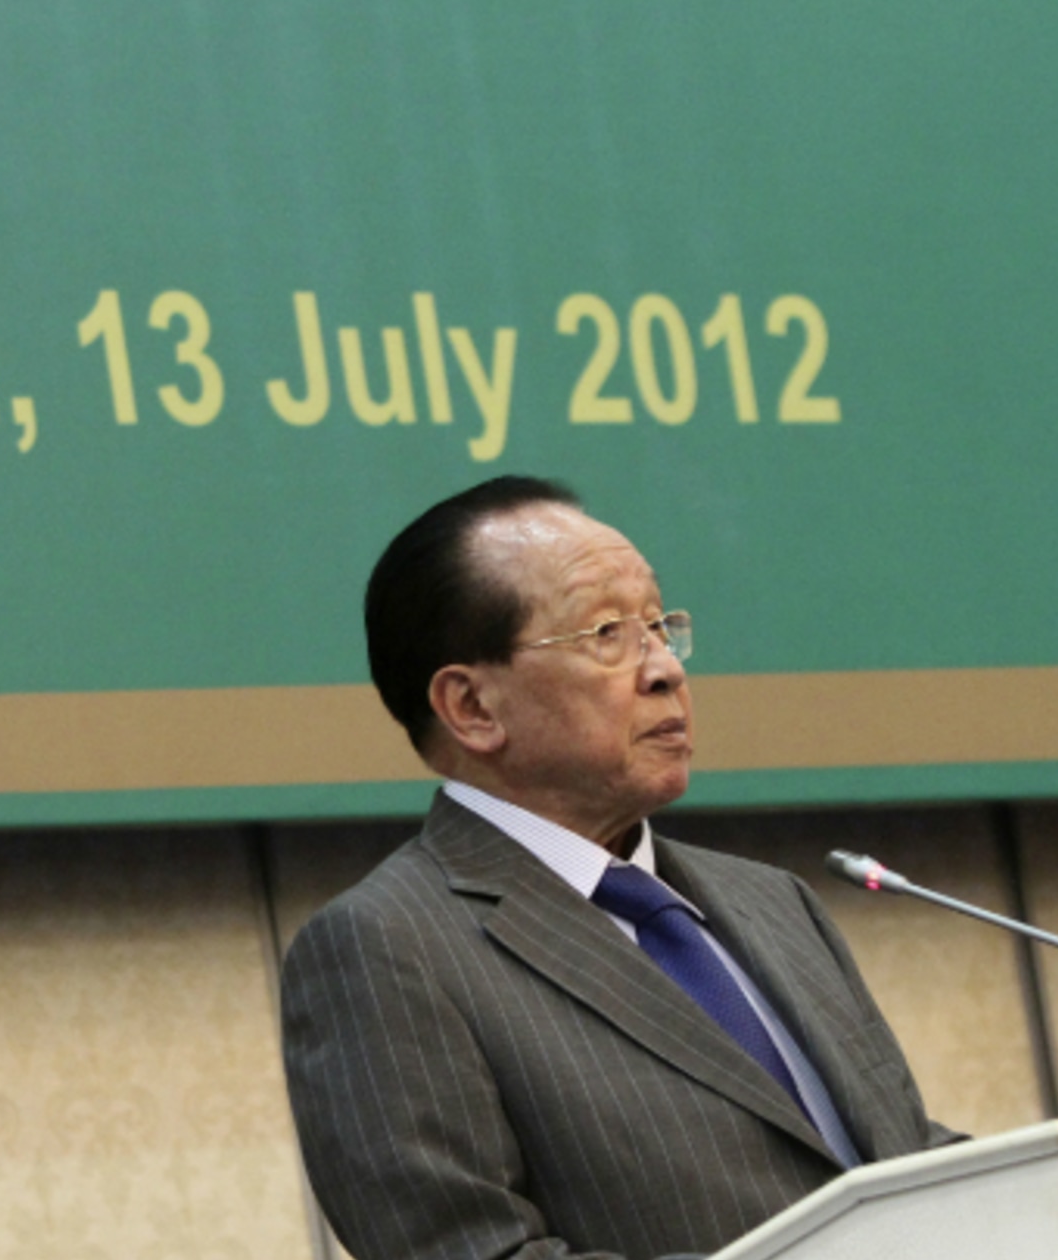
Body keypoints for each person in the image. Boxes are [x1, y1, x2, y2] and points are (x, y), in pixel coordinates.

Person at [280, 476, 960, 1260]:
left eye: (660, 626)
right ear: (472, 708)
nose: (665, 667)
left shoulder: (775, 902)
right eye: (607, 633)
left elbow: (903, 1161)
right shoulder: (386, 949)